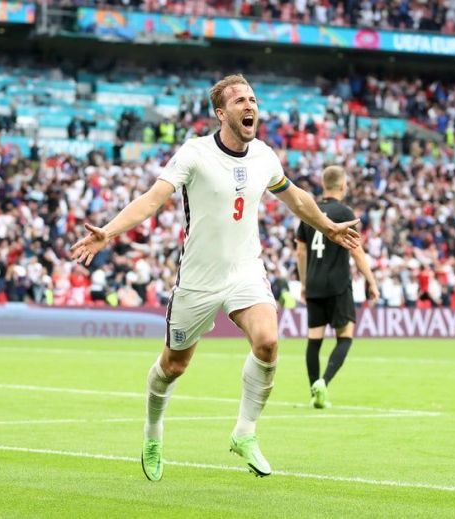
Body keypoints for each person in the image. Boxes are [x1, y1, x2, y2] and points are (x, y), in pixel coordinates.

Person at [71, 75, 360, 481]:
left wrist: (327, 225)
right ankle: (153, 432)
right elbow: (153, 199)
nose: (250, 106)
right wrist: (109, 231)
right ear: (221, 113)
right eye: (240, 100)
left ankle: (245, 433)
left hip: (246, 270)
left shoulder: (264, 156)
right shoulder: (195, 154)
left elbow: (295, 197)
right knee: (174, 365)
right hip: (199, 278)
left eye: (253, 99)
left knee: (268, 341)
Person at [295, 166, 379, 408]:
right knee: (345, 337)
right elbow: (356, 251)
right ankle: (324, 382)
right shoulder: (345, 212)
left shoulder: (310, 211)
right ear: (343, 186)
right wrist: (371, 281)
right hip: (338, 284)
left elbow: (300, 251)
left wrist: (303, 282)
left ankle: (314, 391)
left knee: (314, 339)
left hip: (314, 283)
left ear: (323, 185)